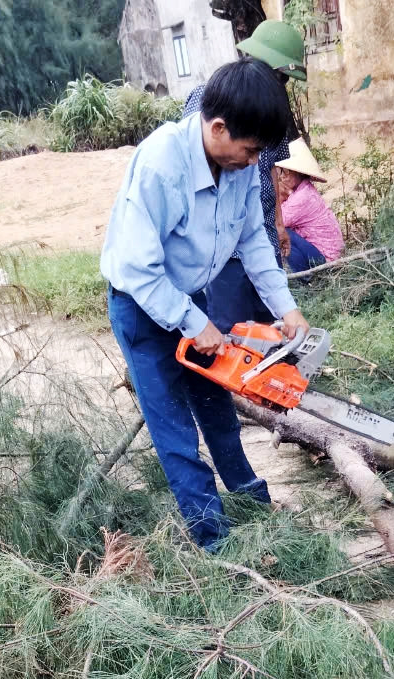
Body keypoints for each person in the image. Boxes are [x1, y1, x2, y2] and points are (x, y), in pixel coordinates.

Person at [99, 58, 311, 552]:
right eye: (250, 148)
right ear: (217, 128)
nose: (253, 159)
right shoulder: (160, 166)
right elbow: (137, 269)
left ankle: (249, 498)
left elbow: (253, 238)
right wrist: (192, 321)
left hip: (189, 297)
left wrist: (286, 307)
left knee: (216, 408)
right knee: (174, 427)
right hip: (141, 304)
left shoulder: (237, 164)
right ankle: (214, 539)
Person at [181, 20, 307, 332]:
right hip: (224, 248)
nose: (279, 84)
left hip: (260, 235)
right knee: (232, 333)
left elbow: (273, 170)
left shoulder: (274, 110)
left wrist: (278, 224)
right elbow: (194, 166)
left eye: (284, 80)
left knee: (271, 330)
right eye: (278, 76)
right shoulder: (209, 97)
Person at [274, 138, 345, 273]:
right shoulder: (304, 191)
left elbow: (278, 219)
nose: (282, 177)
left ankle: (306, 278)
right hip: (325, 257)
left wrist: (279, 195)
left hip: (325, 261)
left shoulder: (303, 197)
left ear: (297, 172)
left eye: (285, 172)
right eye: (281, 172)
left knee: (282, 232)